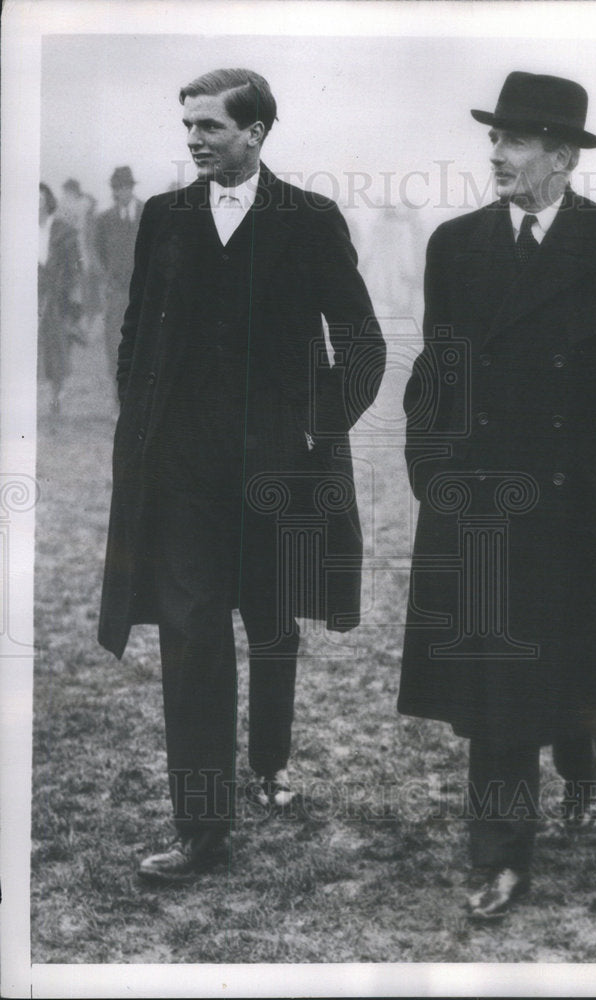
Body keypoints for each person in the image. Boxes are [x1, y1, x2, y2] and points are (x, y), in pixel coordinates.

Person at [399, 72, 596, 918]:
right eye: (493, 138)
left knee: (569, 670)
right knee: (499, 685)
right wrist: (431, 468)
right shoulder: (455, 245)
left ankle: (583, 761)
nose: (497, 155)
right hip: (482, 502)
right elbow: (437, 367)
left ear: (563, 158)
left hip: (577, 505)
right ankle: (502, 857)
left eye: (516, 141)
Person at [98, 68, 384, 881]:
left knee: (270, 623)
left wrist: (316, 429)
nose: (193, 139)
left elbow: (362, 343)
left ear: (255, 132)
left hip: (278, 478)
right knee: (191, 638)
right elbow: (133, 335)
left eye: (210, 127)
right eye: (186, 125)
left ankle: (270, 762)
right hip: (182, 476)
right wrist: (141, 417)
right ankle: (202, 831)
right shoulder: (166, 217)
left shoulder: (309, 220)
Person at [94, 167, 143, 378]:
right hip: (117, 290)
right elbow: (99, 251)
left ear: (131, 188)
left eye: (125, 187)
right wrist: (110, 277)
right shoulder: (105, 219)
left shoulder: (149, 213)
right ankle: (118, 397)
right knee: (115, 340)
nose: (121, 192)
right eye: (117, 188)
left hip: (145, 290)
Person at [38, 182, 82, 414]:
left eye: (41, 202)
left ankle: (56, 396)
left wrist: (72, 294)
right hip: (31, 295)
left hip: (56, 298)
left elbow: (75, 266)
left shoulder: (62, 230)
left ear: (48, 203)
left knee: (56, 348)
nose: (37, 208)